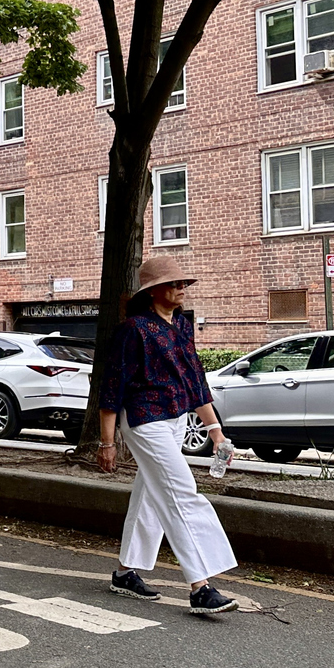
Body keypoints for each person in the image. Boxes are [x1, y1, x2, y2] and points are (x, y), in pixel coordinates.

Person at [96, 256, 239, 615]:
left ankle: (126, 573)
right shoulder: (134, 329)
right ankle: (200, 586)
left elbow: (194, 380)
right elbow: (112, 386)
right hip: (144, 420)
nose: (181, 289)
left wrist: (216, 432)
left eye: (183, 284)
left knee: (150, 495)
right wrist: (107, 442)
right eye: (174, 284)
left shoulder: (182, 326)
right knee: (180, 493)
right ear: (153, 291)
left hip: (175, 420)